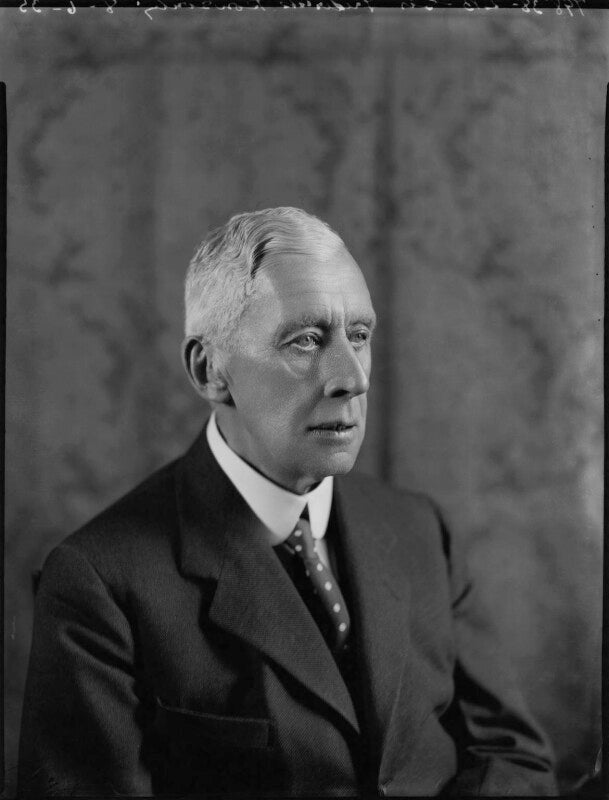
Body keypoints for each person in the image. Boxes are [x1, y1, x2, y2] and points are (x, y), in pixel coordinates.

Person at [18, 207, 558, 797]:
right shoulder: (100, 583)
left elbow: (512, 755)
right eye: (306, 340)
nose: (352, 378)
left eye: (359, 336)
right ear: (210, 370)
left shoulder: (420, 529)